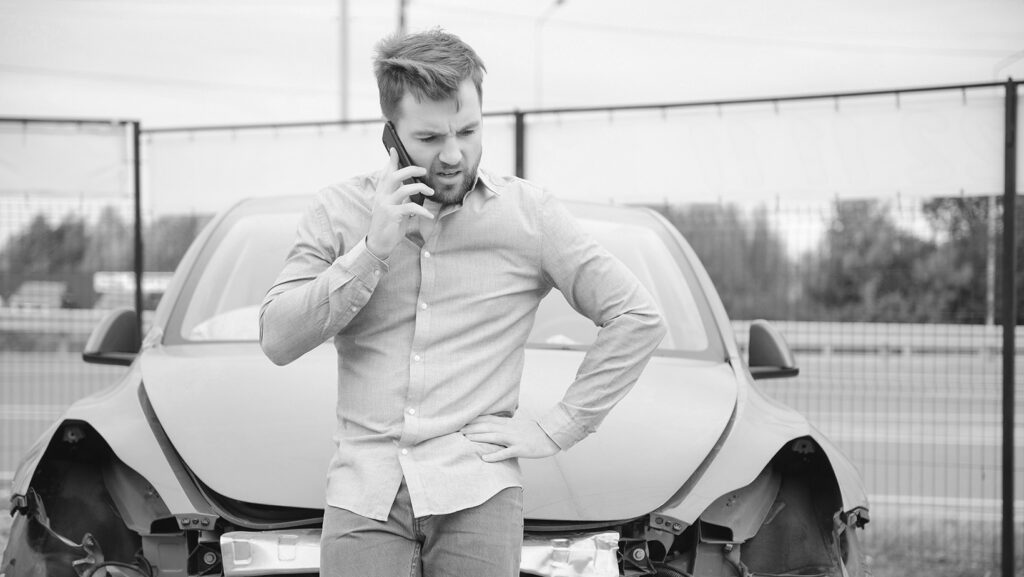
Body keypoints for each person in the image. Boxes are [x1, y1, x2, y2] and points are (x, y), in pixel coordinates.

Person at [259, 28, 666, 577]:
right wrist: (372, 250)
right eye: (429, 138)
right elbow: (277, 339)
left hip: (478, 490)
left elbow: (636, 316)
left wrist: (559, 427)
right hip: (364, 491)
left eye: (469, 132)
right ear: (391, 135)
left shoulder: (531, 216)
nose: (453, 155)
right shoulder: (337, 212)